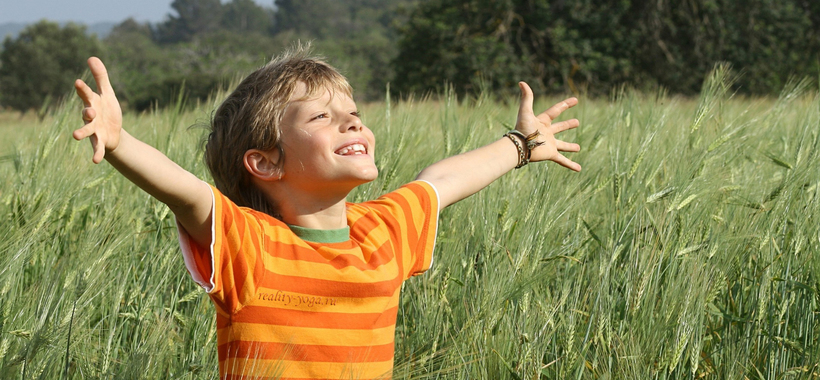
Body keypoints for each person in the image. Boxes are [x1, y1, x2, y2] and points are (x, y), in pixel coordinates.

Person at [73, 47, 581, 380]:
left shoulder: (383, 231)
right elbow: (187, 194)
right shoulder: (251, 244)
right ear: (265, 162)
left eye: (354, 116)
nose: (352, 125)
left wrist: (520, 146)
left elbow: (442, 181)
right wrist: (120, 142)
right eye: (323, 118)